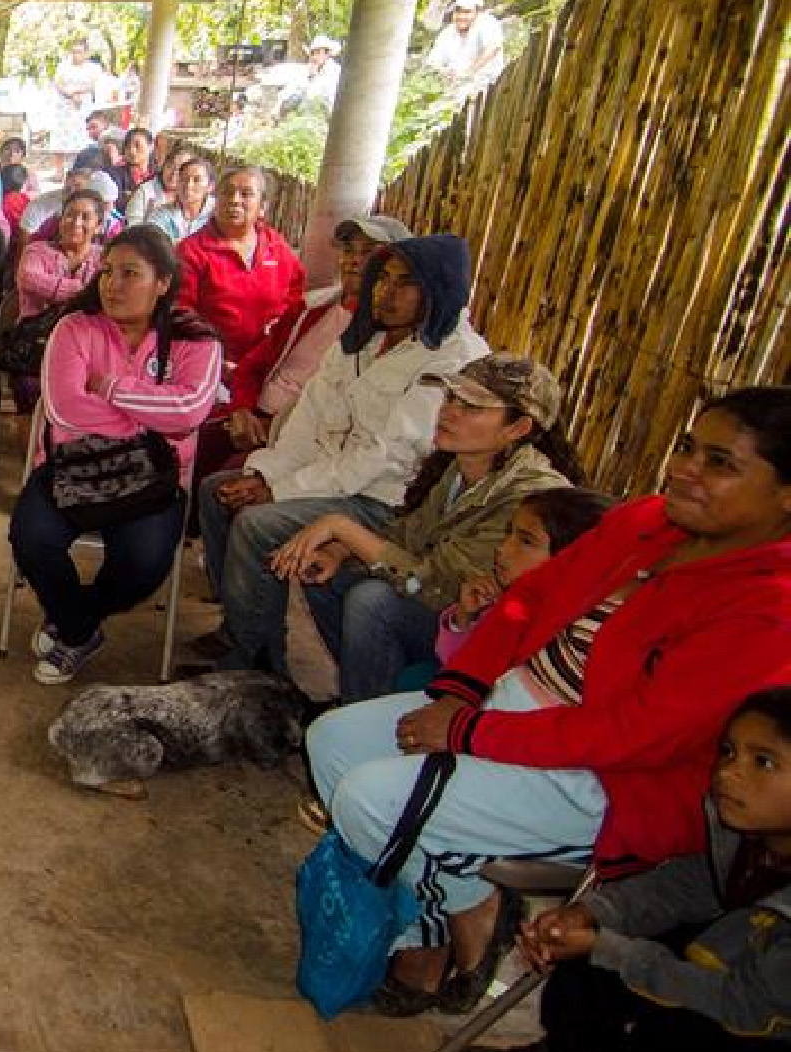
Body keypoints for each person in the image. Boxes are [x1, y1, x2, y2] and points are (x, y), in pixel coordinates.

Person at [306, 385, 791, 1018]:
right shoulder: (646, 523)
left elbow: (630, 736)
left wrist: (466, 734)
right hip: (514, 705)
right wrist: (460, 692)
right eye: (688, 448)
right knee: (331, 743)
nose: (684, 470)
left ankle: (439, 933)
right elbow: (524, 601)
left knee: (368, 801)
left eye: (720, 462)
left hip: (608, 780)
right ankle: (459, 898)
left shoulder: (768, 607)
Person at [456, 688, 791, 1052]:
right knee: (602, 933)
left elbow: (747, 1007)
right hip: (737, 954)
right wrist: (591, 915)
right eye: (729, 751)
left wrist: (610, 950)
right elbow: (689, 885)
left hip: (765, 1026)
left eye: (763, 762)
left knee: (682, 1028)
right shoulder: (748, 832)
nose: (728, 772)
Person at [202, 234, 486, 670]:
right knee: (219, 491)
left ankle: (251, 662)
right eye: (383, 278)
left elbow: (382, 456)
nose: (386, 293)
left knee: (260, 524)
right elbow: (308, 421)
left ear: (437, 288)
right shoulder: (363, 342)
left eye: (405, 282)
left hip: (386, 502)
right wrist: (265, 477)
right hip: (332, 479)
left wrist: (282, 491)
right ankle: (244, 630)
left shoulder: (452, 359)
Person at [261, 354, 584, 703]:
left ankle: (368, 720)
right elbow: (408, 534)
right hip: (448, 610)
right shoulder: (462, 468)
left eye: (472, 407)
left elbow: (436, 585)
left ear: (518, 429)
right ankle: (368, 696)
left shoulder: (527, 498)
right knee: (326, 572)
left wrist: (341, 527)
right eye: (451, 398)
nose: (450, 412)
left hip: (486, 633)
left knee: (372, 602)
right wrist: (339, 549)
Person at [9, 226, 224, 684]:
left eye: (130, 273)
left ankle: (70, 620)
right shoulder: (74, 327)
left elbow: (189, 411)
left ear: (163, 282)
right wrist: (150, 419)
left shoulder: (196, 340)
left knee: (144, 563)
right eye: (107, 271)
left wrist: (110, 388)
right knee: (32, 538)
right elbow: (66, 407)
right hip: (74, 467)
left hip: (155, 480)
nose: (112, 284)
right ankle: (79, 630)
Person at [175, 166, 306, 481]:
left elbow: (294, 304)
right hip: (211, 372)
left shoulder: (276, 247)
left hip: (268, 371)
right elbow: (182, 315)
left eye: (246, 194)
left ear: (262, 206)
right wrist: (218, 363)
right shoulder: (193, 251)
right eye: (226, 192)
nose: (234, 200)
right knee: (212, 442)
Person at [418, 486, 616, 689]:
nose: (502, 548)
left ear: (570, 558)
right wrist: (464, 617)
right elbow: (453, 663)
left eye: (526, 541)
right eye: (508, 533)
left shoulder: (572, 638)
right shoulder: (505, 602)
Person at [249, 214, 411, 434]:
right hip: (256, 414)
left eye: (368, 252)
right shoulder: (310, 307)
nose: (354, 260)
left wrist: (277, 429)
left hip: (300, 434)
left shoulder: (388, 333)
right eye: (348, 250)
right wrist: (241, 409)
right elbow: (254, 364)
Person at [9, 189, 106, 414]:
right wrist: (86, 292)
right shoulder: (36, 250)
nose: (75, 222)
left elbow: (107, 294)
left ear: (99, 226)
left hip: (88, 345)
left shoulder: (104, 258)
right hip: (36, 341)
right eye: (70, 214)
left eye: (85, 217)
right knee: (30, 389)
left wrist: (57, 291)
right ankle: (35, 448)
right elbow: (29, 280)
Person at [425, 0, 506, 92]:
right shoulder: (447, 33)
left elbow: (493, 48)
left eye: (467, 12)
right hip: (457, 91)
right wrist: (444, 72)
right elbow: (432, 62)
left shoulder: (486, 22)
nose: (461, 16)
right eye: (458, 11)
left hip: (489, 87)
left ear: (477, 12)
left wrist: (468, 72)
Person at [52, 41, 107, 163]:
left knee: (83, 135)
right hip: (64, 105)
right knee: (60, 138)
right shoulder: (63, 66)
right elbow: (57, 83)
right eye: (74, 52)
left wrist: (78, 92)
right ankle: (59, 170)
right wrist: (69, 93)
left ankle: (81, 164)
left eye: (79, 52)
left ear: (86, 53)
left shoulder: (93, 68)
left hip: (83, 104)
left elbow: (95, 84)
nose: (76, 55)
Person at [143, 157, 214, 241]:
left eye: (196, 180)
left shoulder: (217, 214)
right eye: (184, 179)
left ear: (210, 186)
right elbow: (150, 242)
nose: (188, 185)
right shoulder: (161, 214)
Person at [124, 149, 195, 224]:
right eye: (170, 166)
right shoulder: (145, 191)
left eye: (180, 170)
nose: (174, 174)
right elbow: (133, 226)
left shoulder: (189, 198)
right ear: (164, 166)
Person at [107, 127, 157, 206]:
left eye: (137, 145)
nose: (132, 150)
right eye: (127, 146)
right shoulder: (113, 174)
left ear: (150, 147)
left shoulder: (158, 175)